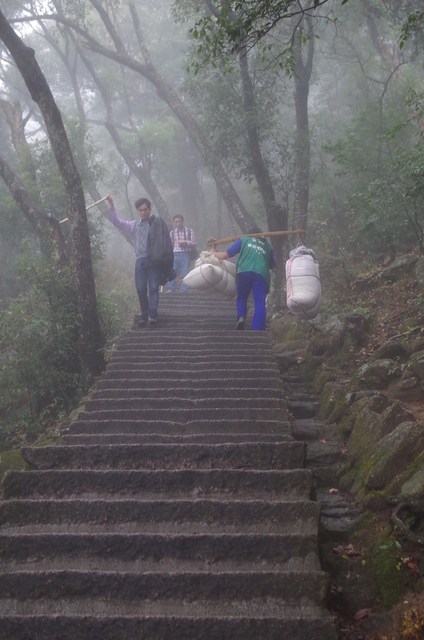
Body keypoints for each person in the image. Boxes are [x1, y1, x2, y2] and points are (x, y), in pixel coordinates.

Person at [106, 194, 173, 326]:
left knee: (153, 287)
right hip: (140, 260)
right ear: (137, 211)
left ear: (150, 209)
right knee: (141, 289)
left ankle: (152, 315)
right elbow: (117, 222)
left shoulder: (156, 224)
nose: (143, 212)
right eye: (140, 210)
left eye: (145, 210)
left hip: (154, 261)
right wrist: (111, 205)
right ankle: (145, 314)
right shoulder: (134, 226)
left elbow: (165, 242)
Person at [211, 228, 276, 331]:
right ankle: (258, 329)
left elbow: (224, 256)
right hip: (261, 275)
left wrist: (213, 252)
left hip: (244, 271)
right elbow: (272, 265)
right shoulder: (268, 247)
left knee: (242, 297)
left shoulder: (244, 240)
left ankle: (241, 316)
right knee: (259, 302)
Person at [167, 214, 197, 293]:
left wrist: (185, 241)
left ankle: (184, 290)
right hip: (175, 254)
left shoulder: (189, 231)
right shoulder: (172, 233)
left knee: (185, 273)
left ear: (182, 221)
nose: (178, 223)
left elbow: (193, 243)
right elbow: (170, 245)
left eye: (179, 221)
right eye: (176, 222)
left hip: (185, 254)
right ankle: (170, 289)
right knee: (172, 272)